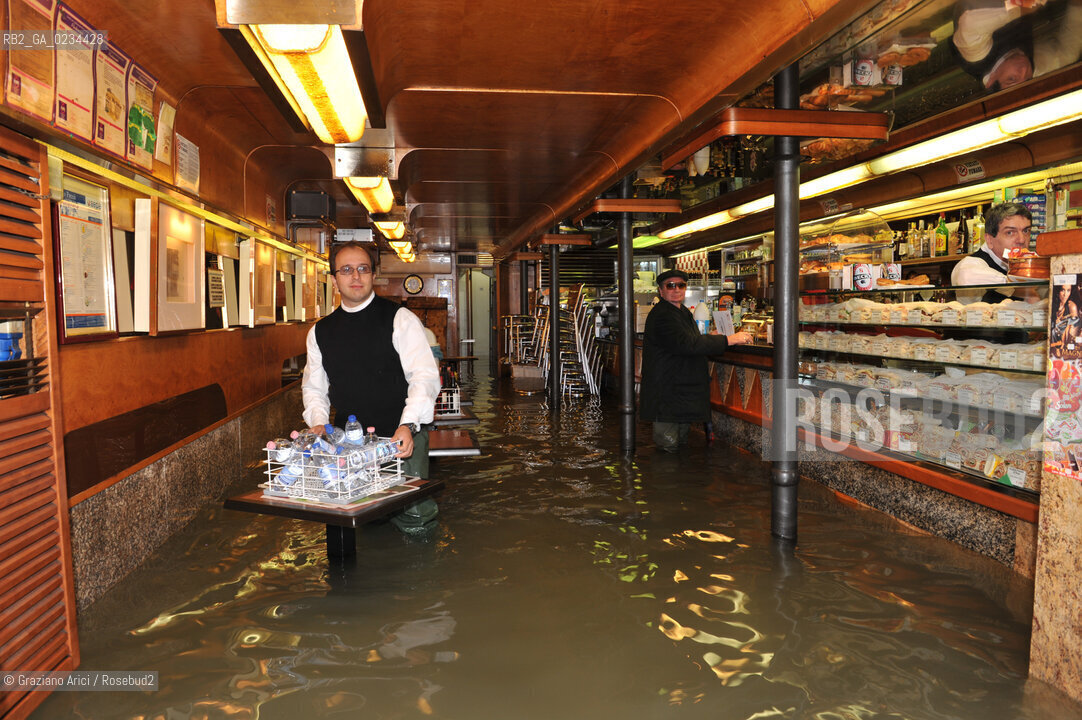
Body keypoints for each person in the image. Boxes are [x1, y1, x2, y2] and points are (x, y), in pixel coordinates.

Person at [302, 241, 441, 534]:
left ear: (373, 275)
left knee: (413, 517)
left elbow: (424, 377)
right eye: (347, 270)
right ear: (335, 278)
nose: (356, 276)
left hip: (400, 437)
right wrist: (317, 423)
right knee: (354, 519)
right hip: (348, 443)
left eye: (363, 269)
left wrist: (408, 425)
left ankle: (422, 576)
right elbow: (315, 387)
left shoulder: (399, 319)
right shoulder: (320, 332)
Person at [639, 269, 753, 453]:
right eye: (670, 285)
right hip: (667, 393)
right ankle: (661, 480)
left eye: (681, 285)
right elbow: (688, 344)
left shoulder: (680, 311)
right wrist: (728, 340)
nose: (676, 289)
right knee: (667, 449)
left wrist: (710, 335)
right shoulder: (663, 314)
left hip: (680, 391)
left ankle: (675, 480)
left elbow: (686, 339)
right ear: (661, 291)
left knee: (680, 445)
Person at [951, 0, 1082, 90]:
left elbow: (970, 20)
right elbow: (1066, 54)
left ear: (991, 81)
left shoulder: (975, 55)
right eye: (1028, 78)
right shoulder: (1027, 70)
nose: (1024, 71)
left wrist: (1025, 6)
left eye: (1012, 78)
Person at [950, 202, 1032, 302]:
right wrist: (1026, 291)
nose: (1022, 240)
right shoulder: (972, 263)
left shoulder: (1027, 265)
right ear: (989, 240)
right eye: (1010, 232)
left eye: (1026, 231)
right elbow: (966, 275)